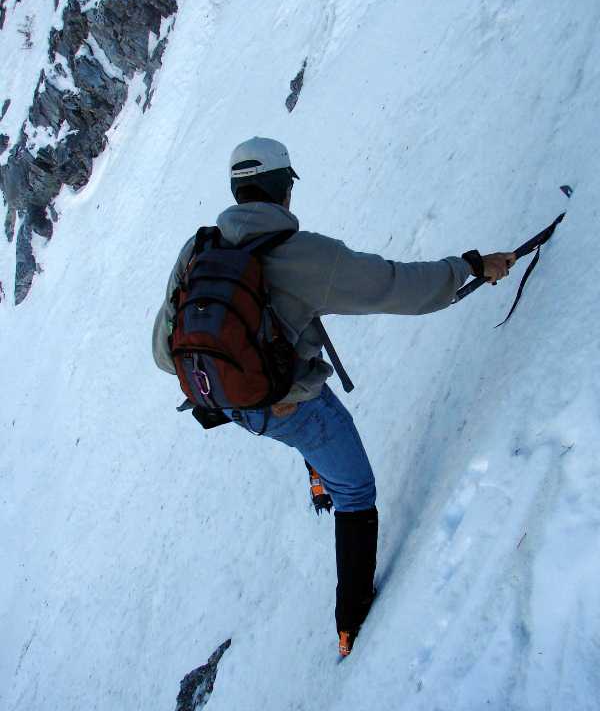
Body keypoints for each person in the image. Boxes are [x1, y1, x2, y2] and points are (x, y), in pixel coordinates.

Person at [152, 136, 516, 657]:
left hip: (223, 401)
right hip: (288, 406)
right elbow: (399, 287)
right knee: (355, 489)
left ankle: (315, 470)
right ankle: (351, 621)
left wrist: (235, 367)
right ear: (283, 190)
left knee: (303, 412)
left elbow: (163, 352)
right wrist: (470, 267)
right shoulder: (306, 256)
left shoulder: (198, 250)